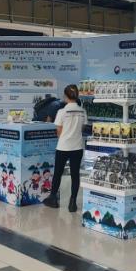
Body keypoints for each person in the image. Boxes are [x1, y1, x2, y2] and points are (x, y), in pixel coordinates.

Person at [43, 84, 88, 212]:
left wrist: (65, 136)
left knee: (58, 173)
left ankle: (53, 199)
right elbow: (82, 128)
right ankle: (73, 203)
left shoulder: (61, 112)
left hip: (63, 146)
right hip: (77, 147)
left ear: (65, 96)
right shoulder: (83, 111)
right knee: (75, 175)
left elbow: (59, 131)